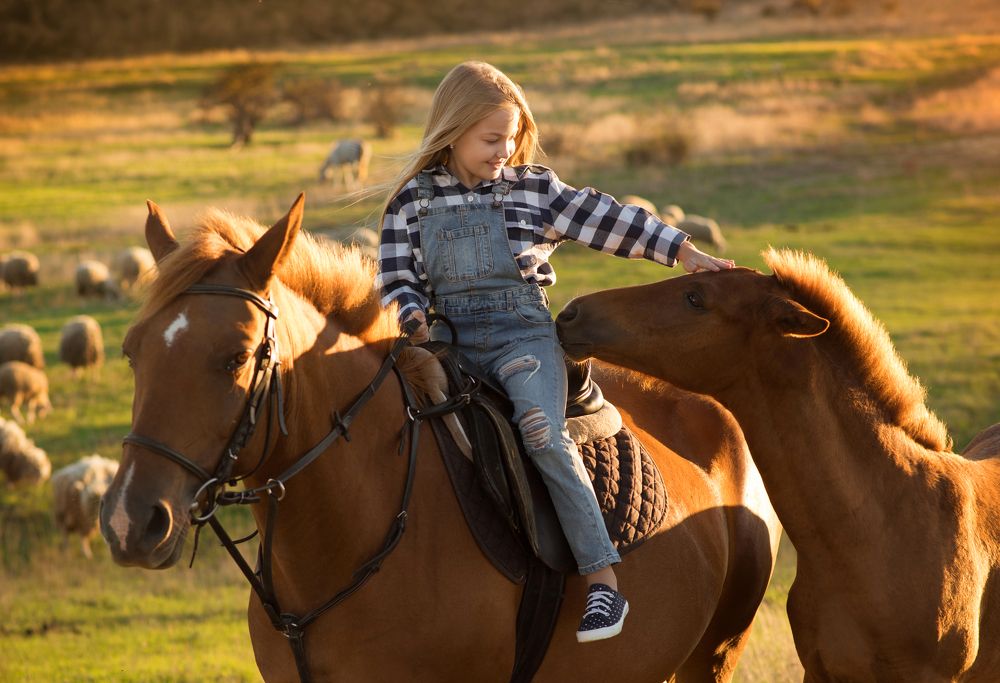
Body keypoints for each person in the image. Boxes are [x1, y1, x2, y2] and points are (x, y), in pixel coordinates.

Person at [376, 61, 734, 643]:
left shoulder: (533, 188)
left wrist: (685, 254)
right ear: (453, 130)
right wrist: (414, 320)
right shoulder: (410, 202)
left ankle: (602, 582)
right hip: (447, 346)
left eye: (512, 136)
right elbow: (395, 281)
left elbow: (609, 219)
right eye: (492, 138)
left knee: (542, 431)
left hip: (523, 341)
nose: (505, 148)